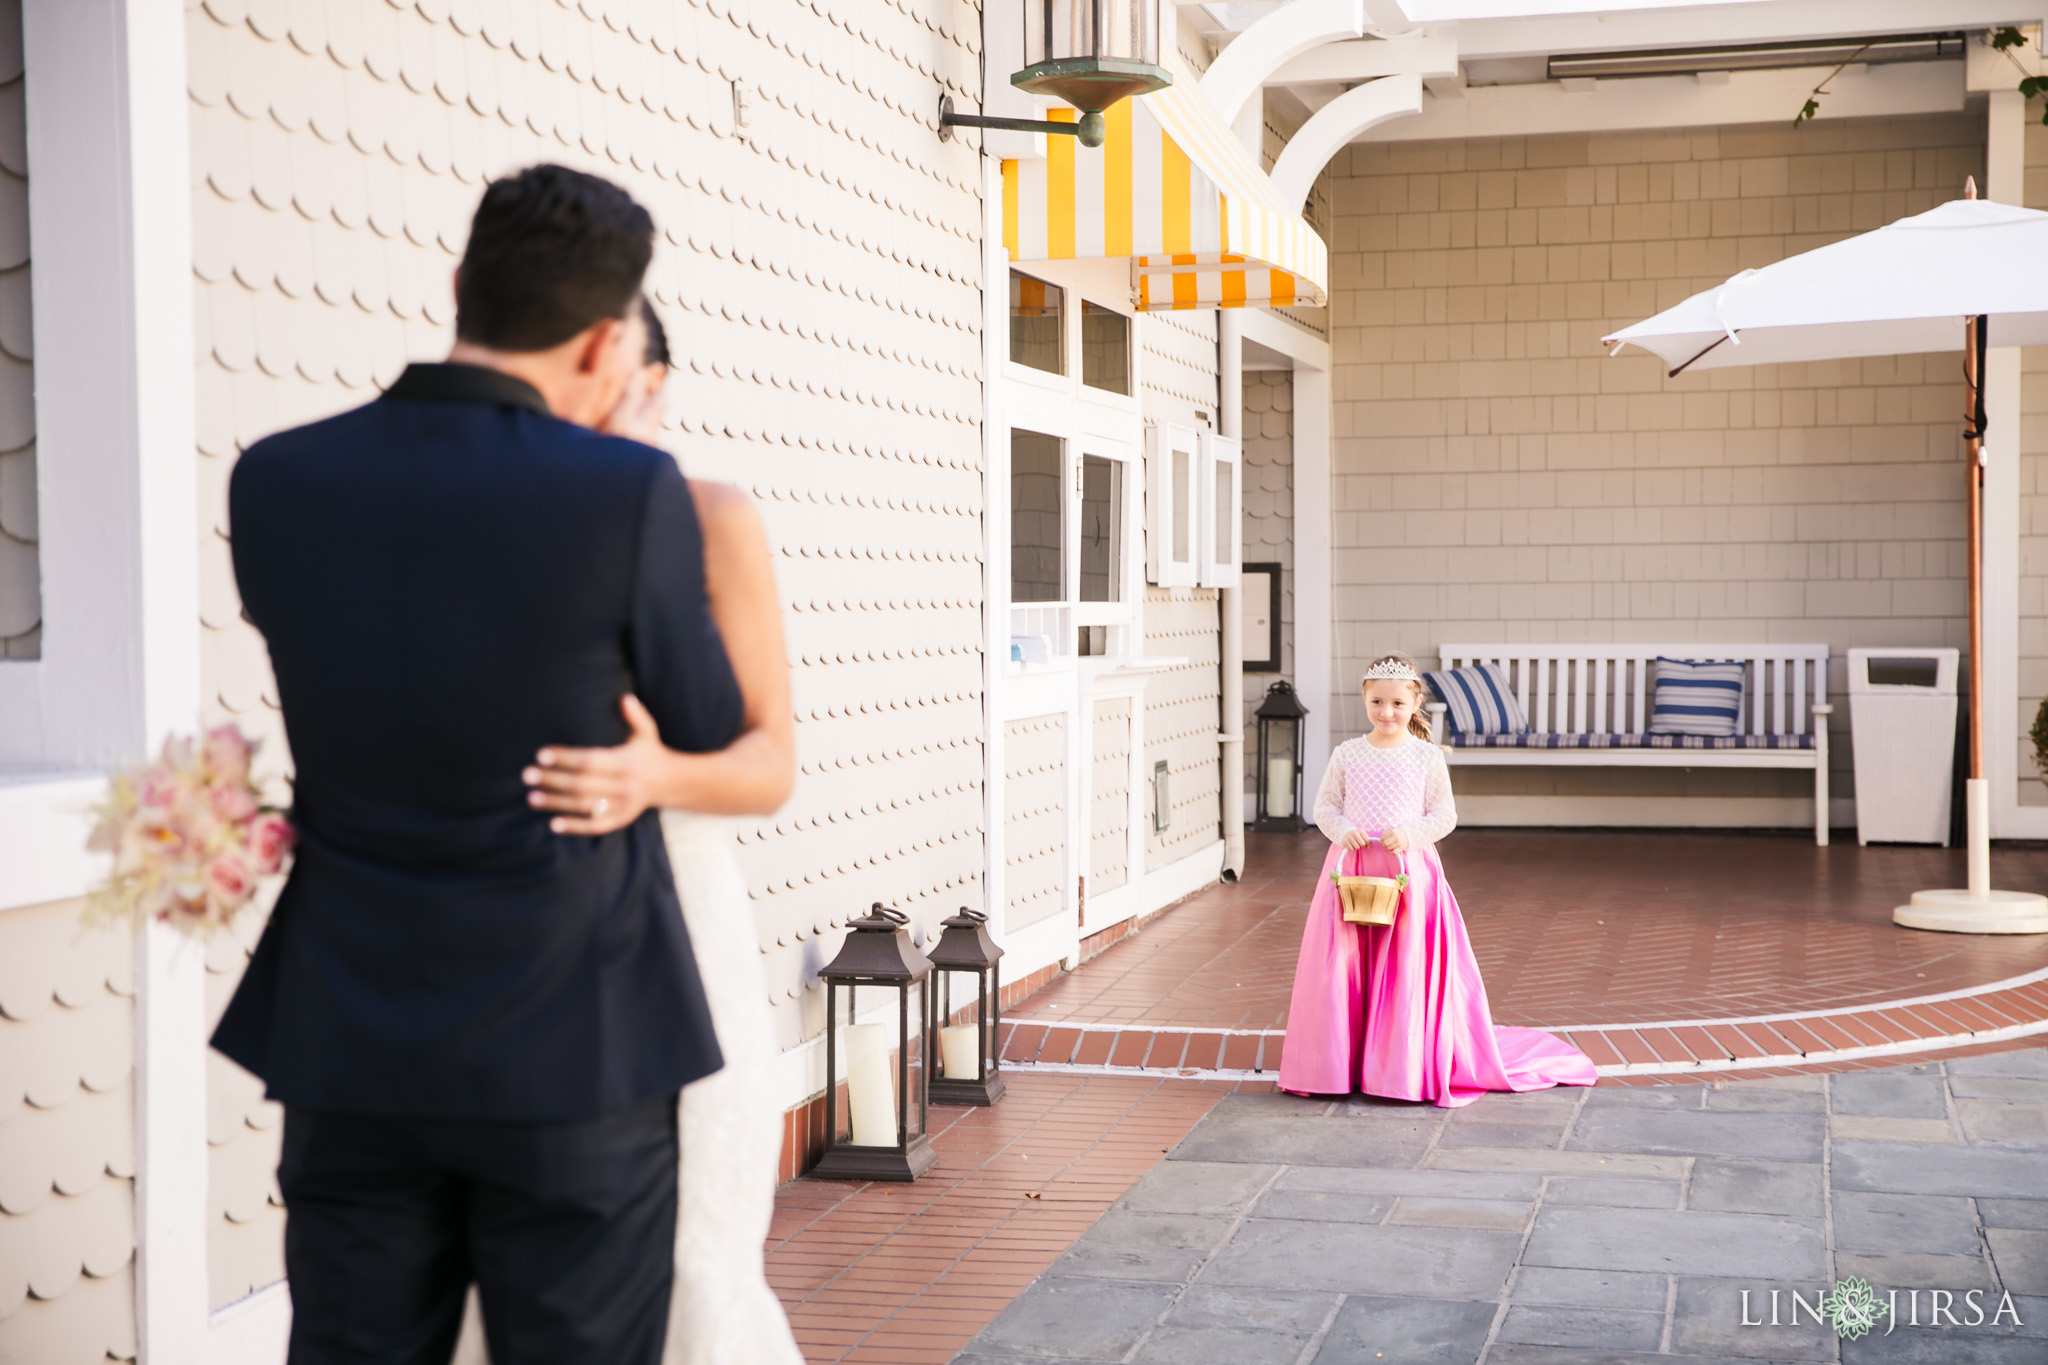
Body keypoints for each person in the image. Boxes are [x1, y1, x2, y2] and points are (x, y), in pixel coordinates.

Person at [213, 165, 741, 1365]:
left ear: (460, 288)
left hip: (348, 1034)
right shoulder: (628, 493)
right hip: (578, 1036)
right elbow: (701, 727)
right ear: (609, 342)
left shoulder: (277, 476)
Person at [515, 298, 804, 1365]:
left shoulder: (709, 515)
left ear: (655, 379)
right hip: (515, 941)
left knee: (692, 1246)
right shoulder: (497, 521)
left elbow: (770, 761)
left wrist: (656, 775)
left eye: (616, 362)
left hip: (678, 920)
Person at [1277, 653, 1597, 1105]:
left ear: (1414, 704)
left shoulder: (1426, 756)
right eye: (1377, 703)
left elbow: (1444, 815)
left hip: (1409, 873)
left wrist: (1409, 835)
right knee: (1345, 966)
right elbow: (1325, 807)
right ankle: (1338, 1064)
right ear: (1364, 700)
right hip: (1352, 870)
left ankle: (1396, 1068)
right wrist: (1342, 829)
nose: (1386, 713)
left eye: (1397, 704)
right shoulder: (1347, 753)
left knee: (1402, 966)